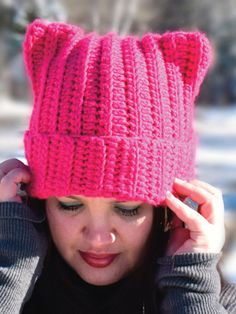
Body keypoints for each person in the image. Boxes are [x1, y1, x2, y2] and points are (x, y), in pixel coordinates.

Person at [0, 18, 236, 314]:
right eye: (69, 204)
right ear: (36, 198)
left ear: (170, 208)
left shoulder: (216, 304)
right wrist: (8, 266)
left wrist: (191, 289)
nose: (98, 237)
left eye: (127, 209)